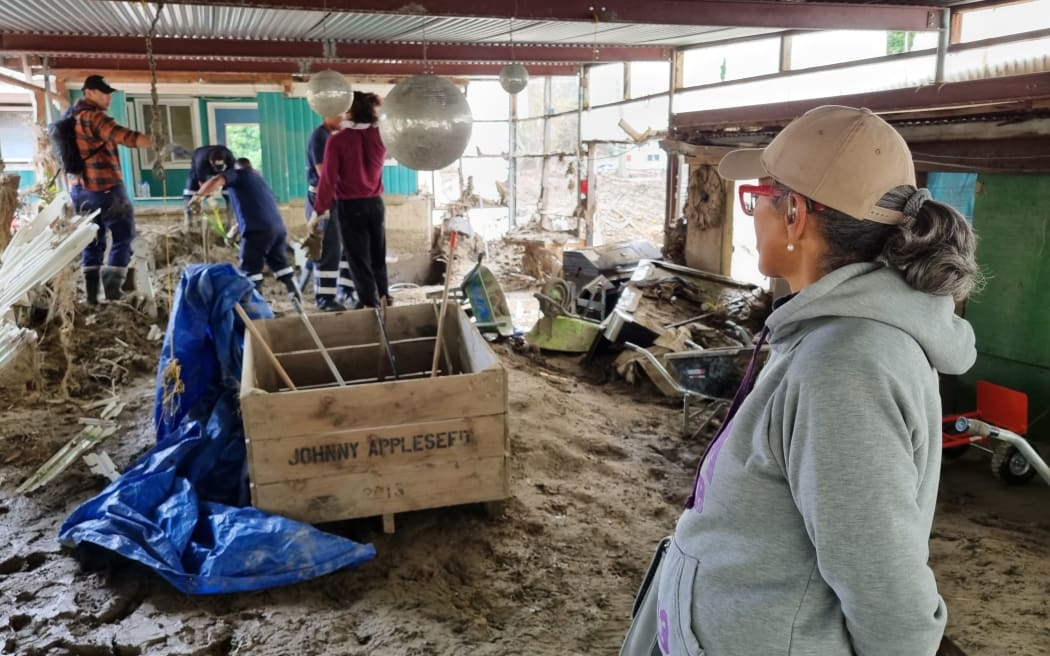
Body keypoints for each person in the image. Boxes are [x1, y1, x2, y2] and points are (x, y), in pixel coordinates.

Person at [654, 106, 979, 656]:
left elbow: (885, 588)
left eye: (758, 197)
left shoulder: (846, 366)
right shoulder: (826, 335)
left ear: (795, 215)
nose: (753, 212)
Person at [68, 75, 157, 304]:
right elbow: (121, 135)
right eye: (103, 92)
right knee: (123, 237)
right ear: (88, 92)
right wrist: (153, 142)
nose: (108, 97)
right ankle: (113, 293)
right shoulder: (92, 117)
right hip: (106, 188)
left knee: (92, 240)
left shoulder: (70, 117)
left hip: (80, 191)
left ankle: (91, 297)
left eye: (109, 92)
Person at [313, 92, 388, 309]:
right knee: (377, 256)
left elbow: (327, 179)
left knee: (359, 261)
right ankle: (384, 297)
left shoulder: (337, 140)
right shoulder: (382, 136)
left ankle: (370, 307)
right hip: (375, 204)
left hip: (350, 206)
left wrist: (319, 210)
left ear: (350, 110)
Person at [192, 154, 298, 299]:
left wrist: (198, 196)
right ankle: (296, 296)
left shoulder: (239, 174)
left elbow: (217, 180)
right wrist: (233, 232)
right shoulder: (259, 181)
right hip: (277, 229)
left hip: (257, 231)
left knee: (250, 268)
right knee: (280, 264)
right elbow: (255, 210)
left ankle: (255, 306)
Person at [305, 112, 356, 312]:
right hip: (323, 197)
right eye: (340, 116)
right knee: (329, 248)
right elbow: (324, 173)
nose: (343, 119)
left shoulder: (333, 136)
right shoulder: (320, 137)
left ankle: (346, 291)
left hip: (339, 197)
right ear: (329, 114)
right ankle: (325, 298)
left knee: (345, 247)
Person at [183, 144, 235, 234]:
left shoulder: (229, 156)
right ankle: (189, 224)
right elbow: (202, 183)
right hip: (198, 167)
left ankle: (230, 223)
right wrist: (209, 198)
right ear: (211, 161)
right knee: (190, 192)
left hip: (224, 173)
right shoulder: (200, 160)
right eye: (216, 167)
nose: (216, 171)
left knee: (230, 193)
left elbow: (233, 174)